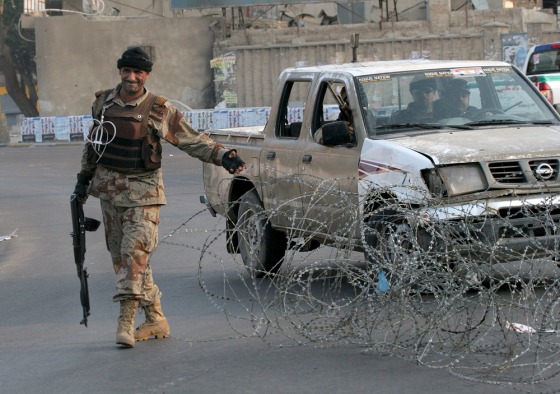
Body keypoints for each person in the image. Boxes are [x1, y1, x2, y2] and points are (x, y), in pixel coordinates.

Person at [73, 47, 246, 348]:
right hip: (109, 195)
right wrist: (82, 182)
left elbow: (191, 139)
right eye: (126, 70)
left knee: (133, 256)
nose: (131, 77)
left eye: (138, 72)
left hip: (144, 195)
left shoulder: (157, 109)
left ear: (146, 75)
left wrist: (223, 156)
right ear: (120, 71)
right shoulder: (103, 103)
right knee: (126, 262)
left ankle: (125, 325)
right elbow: (95, 145)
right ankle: (155, 320)